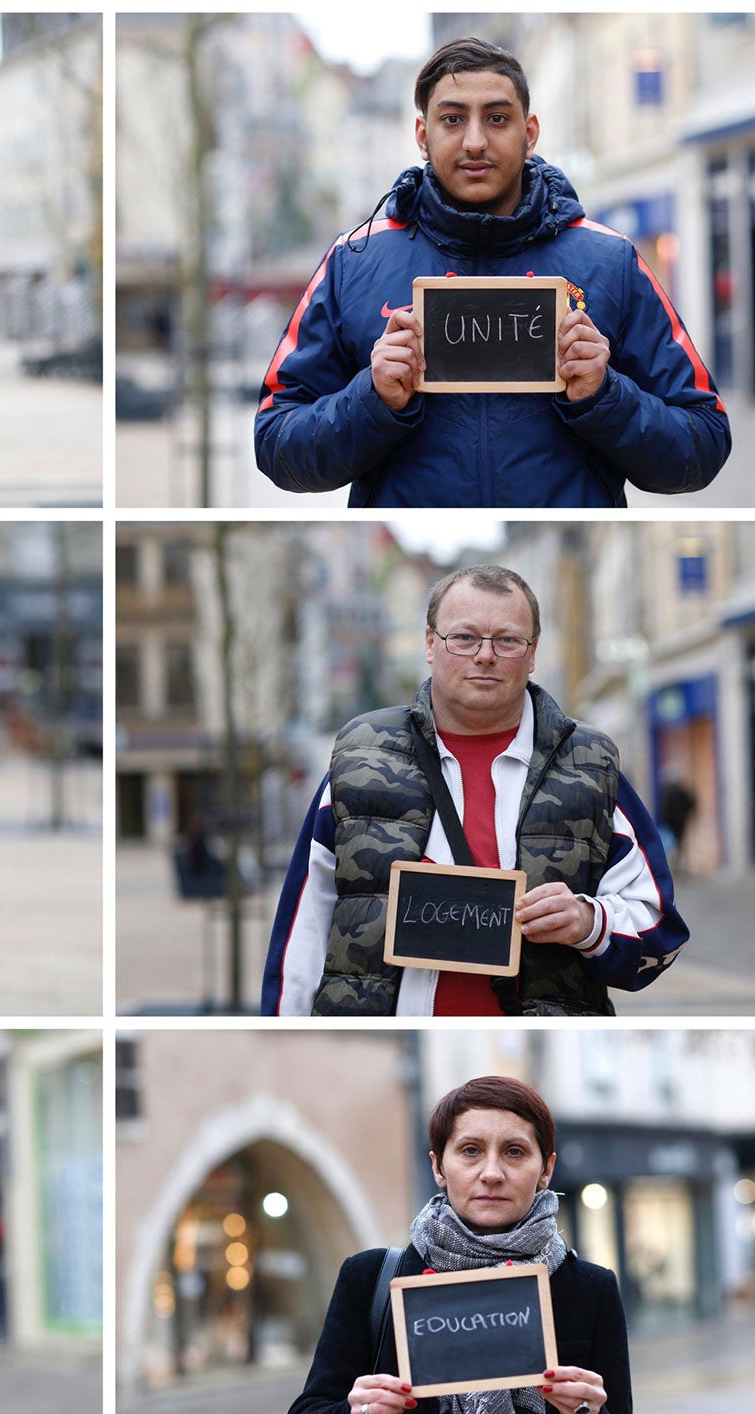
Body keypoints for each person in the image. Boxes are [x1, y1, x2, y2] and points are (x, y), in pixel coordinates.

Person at [255, 36, 728, 507]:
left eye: (497, 118)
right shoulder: (353, 261)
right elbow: (276, 444)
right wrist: (372, 400)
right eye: (453, 119)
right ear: (423, 136)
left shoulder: (610, 260)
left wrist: (605, 396)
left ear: (531, 132)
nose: (475, 141)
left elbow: (703, 445)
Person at [264, 564, 686, 1014]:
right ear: (431, 643)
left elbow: (658, 932)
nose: (485, 655)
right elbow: (301, 936)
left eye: (506, 640)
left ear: (532, 652)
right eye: (463, 638)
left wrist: (588, 922)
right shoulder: (361, 757)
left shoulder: (590, 764)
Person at [286, 1076, 639, 1414]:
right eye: (470, 1151)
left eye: (514, 1152)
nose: (491, 1173)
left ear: (545, 1169)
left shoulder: (587, 1288)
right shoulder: (373, 1278)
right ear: (439, 1166)